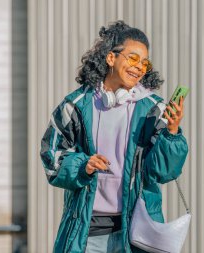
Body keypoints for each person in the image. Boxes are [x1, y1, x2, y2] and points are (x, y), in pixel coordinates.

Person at [40, 20, 189, 253]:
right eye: (132, 58)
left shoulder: (154, 110)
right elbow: (52, 158)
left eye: (144, 62)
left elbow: (163, 173)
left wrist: (171, 132)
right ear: (111, 58)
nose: (139, 67)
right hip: (86, 232)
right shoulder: (75, 106)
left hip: (136, 233)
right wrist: (84, 165)